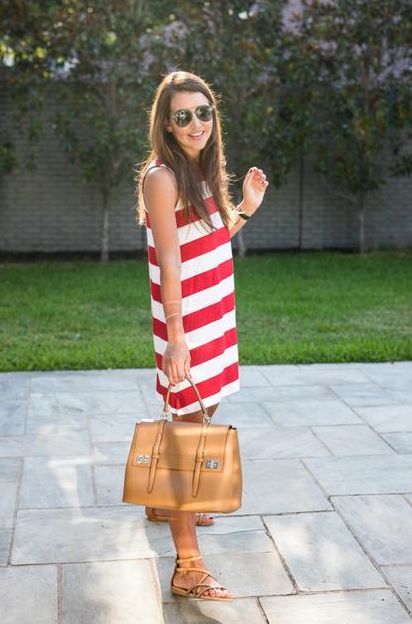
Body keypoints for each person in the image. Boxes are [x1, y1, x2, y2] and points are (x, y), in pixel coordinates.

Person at [135, 70, 269, 601]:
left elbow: (205, 243)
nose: (196, 124)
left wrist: (247, 211)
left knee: (202, 413)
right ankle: (187, 567)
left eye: (203, 112)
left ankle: (162, 500)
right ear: (166, 124)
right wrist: (176, 336)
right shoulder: (162, 176)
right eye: (183, 116)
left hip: (213, 311)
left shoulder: (201, 172)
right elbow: (170, 260)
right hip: (185, 318)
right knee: (187, 432)